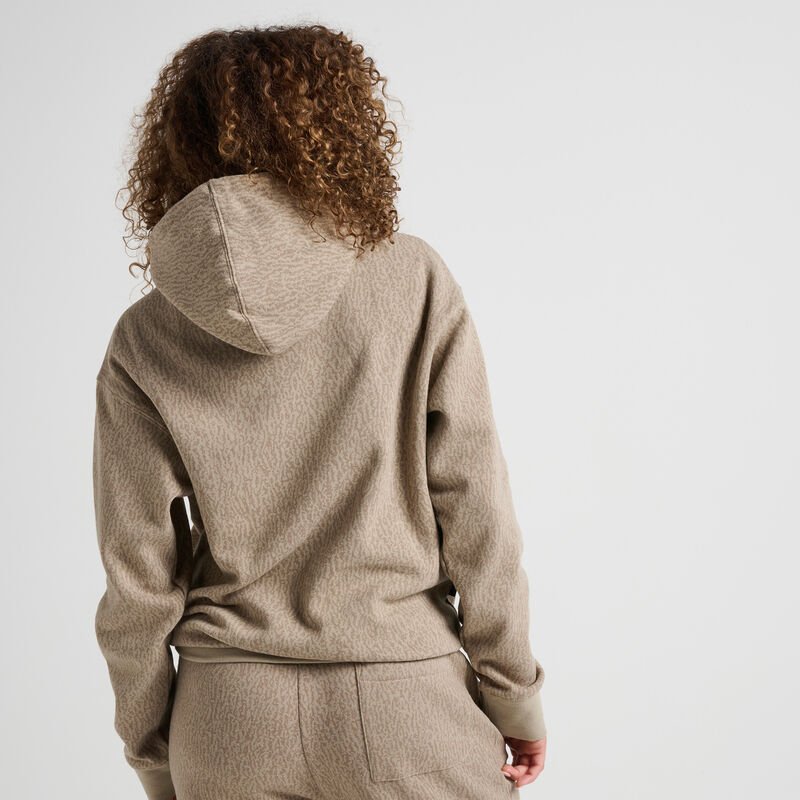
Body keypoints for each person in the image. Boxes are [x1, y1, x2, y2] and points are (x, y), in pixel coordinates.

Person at [91, 23, 547, 800]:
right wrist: (514, 696)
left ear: (179, 146)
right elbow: (477, 513)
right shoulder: (412, 280)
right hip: (408, 704)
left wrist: (156, 754)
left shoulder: (146, 334)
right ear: (339, 129)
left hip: (227, 719)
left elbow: (136, 578)